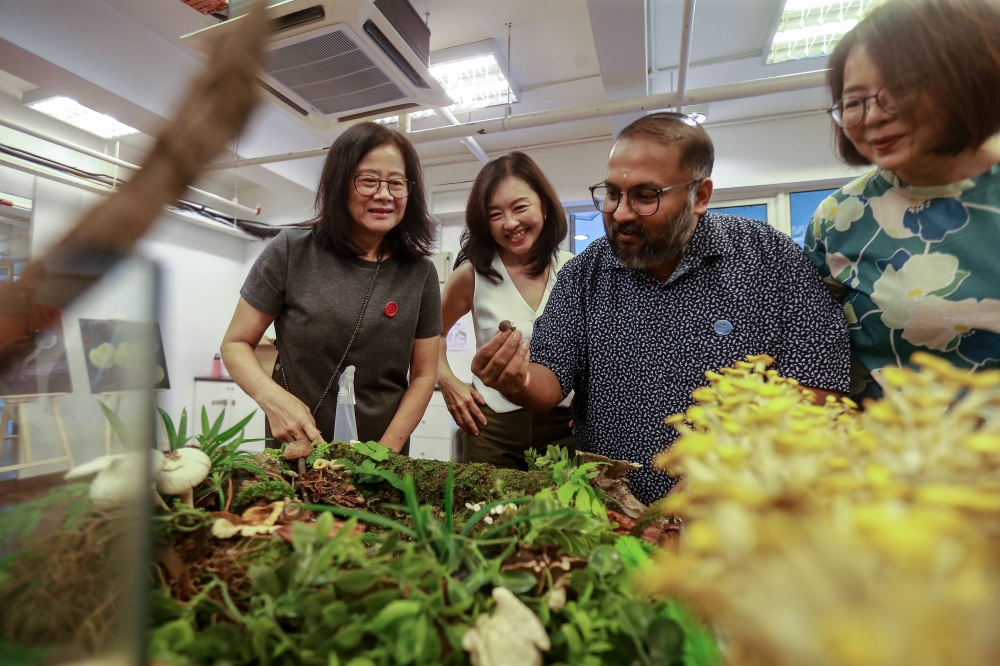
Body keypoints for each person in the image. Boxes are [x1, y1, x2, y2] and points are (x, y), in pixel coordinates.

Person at [472, 112, 851, 504]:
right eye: (613, 193)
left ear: (699, 196)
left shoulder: (767, 257)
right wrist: (519, 382)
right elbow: (551, 377)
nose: (620, 213)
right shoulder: (585, 274)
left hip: (742, 512)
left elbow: (817, 387)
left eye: (644, 195)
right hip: (614, 515)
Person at [805, 0, 1000, 400]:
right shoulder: (839, 218)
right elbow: (815, 348)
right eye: (854, 102)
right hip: (885, 453)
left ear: (966, 79)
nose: (874, 116)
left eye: (902, 89)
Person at [221, 122, 442, 453]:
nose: (384, 194)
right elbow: (236, 343)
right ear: (340, 184)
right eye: (368, 181)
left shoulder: (419, 273)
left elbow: (424, 375)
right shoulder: (291, 251)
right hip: (296, 449)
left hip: (382, 458)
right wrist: (273, 401)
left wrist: (384, 453)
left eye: (396, 183)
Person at [438, 152, 577, 469]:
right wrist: (448, 380)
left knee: (562, 516)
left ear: (543, 205)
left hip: (564, 425)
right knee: (489, 513)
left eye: (520, 207)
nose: (510, 223)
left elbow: (596, 347)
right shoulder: (472, 275)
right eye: (495, 214)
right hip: (492, 427)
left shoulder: (572, 271)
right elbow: (430, 334)